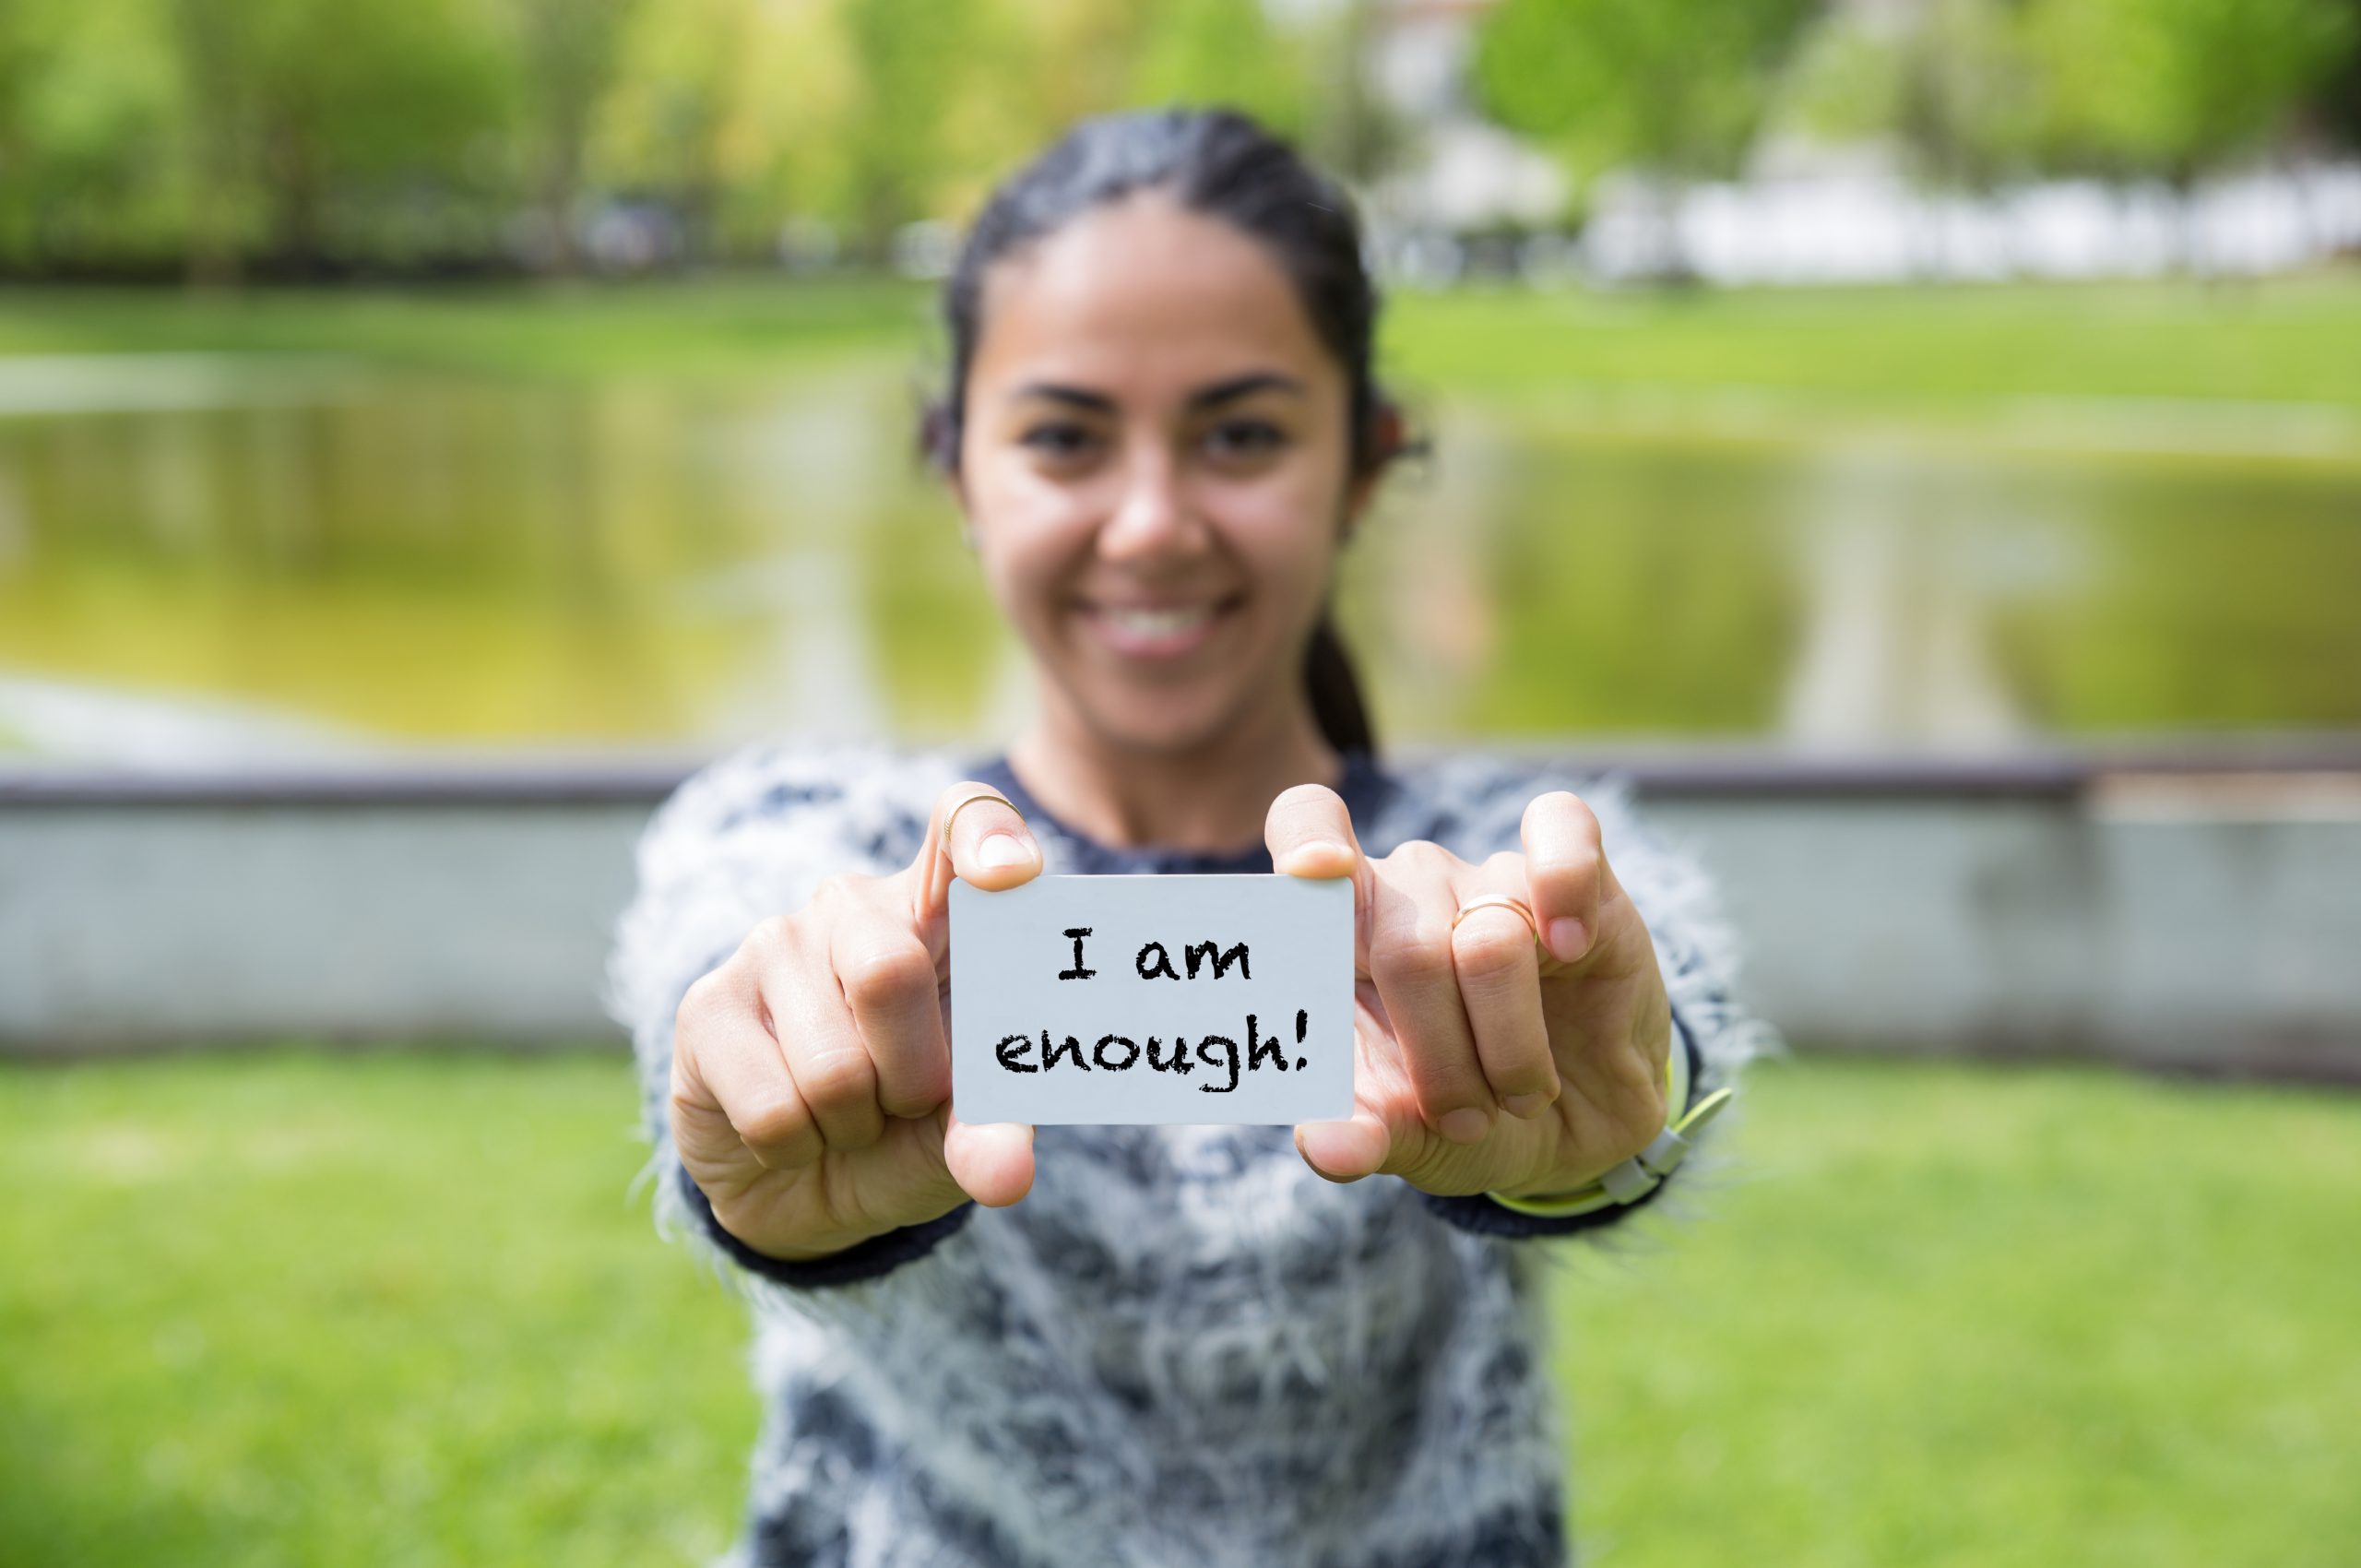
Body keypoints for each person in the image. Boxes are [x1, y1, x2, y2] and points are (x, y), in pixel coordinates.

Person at [608, 106, 1768, 1568]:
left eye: (1239, 434)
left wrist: (1609, 1090)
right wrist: (756, 1083)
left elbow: (1666, 1013)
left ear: (1365, 464)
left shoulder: (1489, 860)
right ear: (958, 469)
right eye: (1064, 439)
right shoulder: (820, 844)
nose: (1151, 524)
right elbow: (713, 961)